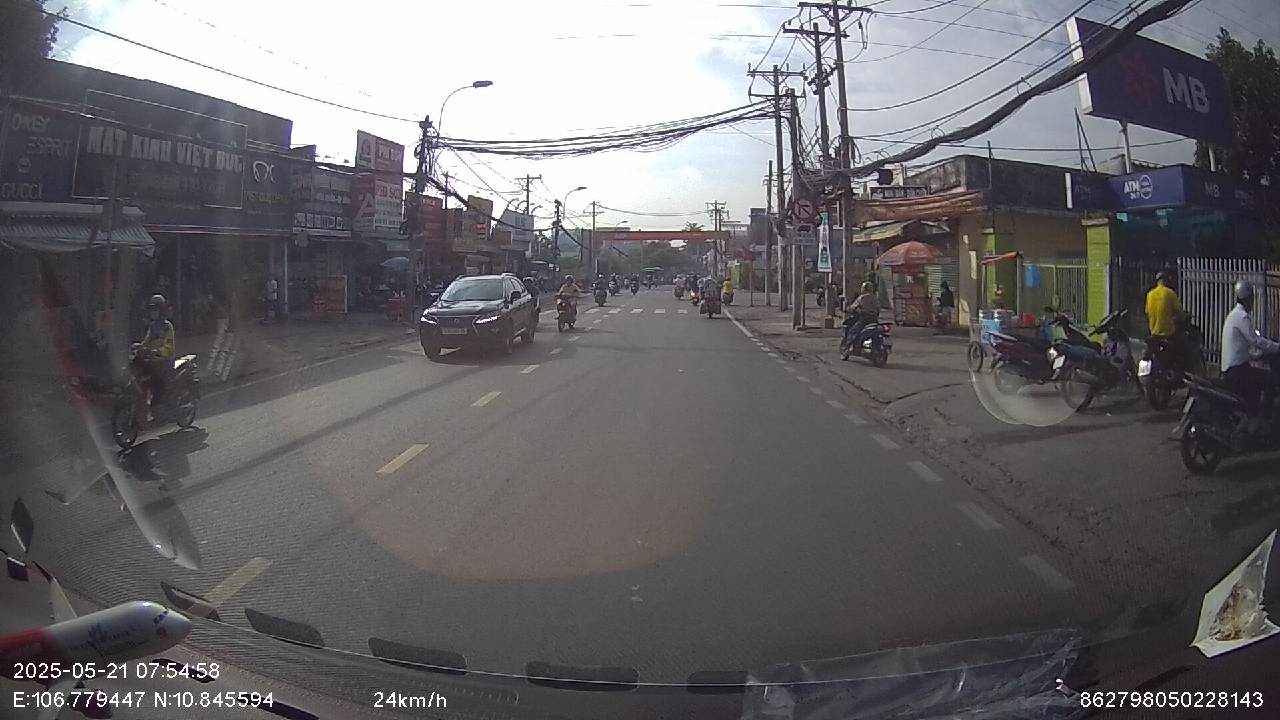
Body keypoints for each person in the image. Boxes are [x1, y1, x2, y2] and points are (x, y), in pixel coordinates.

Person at [1221, 280, 1280, 433]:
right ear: (1248, 299)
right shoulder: (1242, 317)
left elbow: (1242, 348)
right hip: (1237, 371)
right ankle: (1264, 420)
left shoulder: (1234, 315)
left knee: (1256, 383)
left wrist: (1257, 356)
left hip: (1234, 368)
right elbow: (1255, 340)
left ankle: (1253, 416)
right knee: (1270, 380)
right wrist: (1276, 347)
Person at [138, 294, 176, 423]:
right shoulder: (152, 326)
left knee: (157, 384)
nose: (153, 312)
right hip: (154, 361)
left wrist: (158, 351)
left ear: (161, 310)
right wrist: (139, 347)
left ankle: (159, 407)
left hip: (165, 362)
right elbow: (146, 341)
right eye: (151, 309)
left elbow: (169, 347)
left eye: (155, 309)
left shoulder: (167, 327)